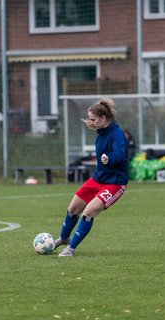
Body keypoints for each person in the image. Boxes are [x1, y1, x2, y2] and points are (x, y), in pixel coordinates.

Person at [54, 97, 129, 257]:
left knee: (88, 212)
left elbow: (120, 152)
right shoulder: (101, 133)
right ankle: (63, 238)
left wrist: (109, 159)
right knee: (72, 209)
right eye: (90, 119)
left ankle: (71, 249)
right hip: (98, 179)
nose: (91, 122)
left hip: (115, 183)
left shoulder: (117, 134)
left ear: (104, 118)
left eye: (93, 119)